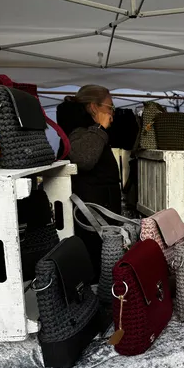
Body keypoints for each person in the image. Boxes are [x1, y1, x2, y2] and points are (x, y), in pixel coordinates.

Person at [56, 85, 119, 279]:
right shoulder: (79, 130)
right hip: (90, 215)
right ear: (93, 107)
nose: (112, 112)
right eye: (109, 107)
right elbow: (84, 159)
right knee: (96, 267)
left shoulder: (86, 130)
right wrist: (100, 128)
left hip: (95, 211)